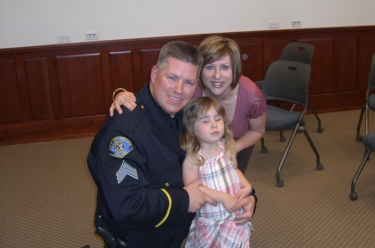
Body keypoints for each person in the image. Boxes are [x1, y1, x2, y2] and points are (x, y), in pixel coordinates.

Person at [87, 41, 256, 248]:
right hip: (143, 238)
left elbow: (217, 161)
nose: (178, 90)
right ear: (154, 74)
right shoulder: (125, 132)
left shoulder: (189, 117)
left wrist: (249, 197)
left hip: (187, 229)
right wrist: (184, 200)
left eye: (188, 83)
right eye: (171, 78)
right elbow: (127, 204)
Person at [111, 35, 267, 174]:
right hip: (194, 150)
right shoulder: (191, 86)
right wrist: (122, 95)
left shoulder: (251, 95)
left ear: (235, 70)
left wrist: (232, 148)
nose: (217, 75)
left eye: (225, 67)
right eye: (210, 67)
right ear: (199, 71)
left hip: (236, 147)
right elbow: (160, 89)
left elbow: (258, 130)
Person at [181, 96, 253, 248]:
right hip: (212, 220)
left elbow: (234, 171)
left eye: (218, 119)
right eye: (206, 121)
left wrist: (247, 186)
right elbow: (194, 188)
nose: (214, 125)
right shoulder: (193, 158)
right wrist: (223, 198)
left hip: (232, 214)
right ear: (192, 130)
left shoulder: (226, 148)